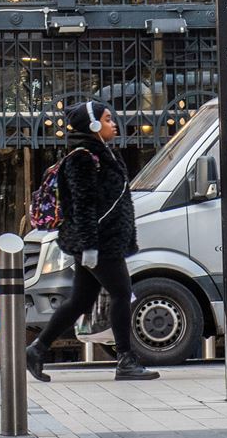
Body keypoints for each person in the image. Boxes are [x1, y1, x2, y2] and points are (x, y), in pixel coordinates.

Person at [25, 104, 156, 383]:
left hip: (104, 240)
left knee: (80, 300)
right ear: (93, 125)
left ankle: (37, 349)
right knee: (122, 293)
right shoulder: (82, 158)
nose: (114, 124)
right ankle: (125, 360)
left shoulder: (103, 153)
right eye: (108, 119)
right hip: (99, 242)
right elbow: (82, 206)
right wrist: (89, 246)